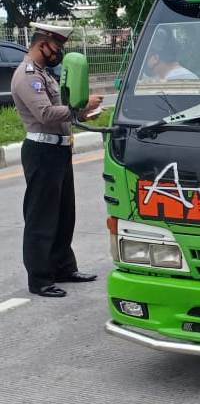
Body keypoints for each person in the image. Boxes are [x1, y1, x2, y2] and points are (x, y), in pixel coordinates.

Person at [11, 23, 103, 298]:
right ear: (43, 44)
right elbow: (45, 114)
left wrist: (82, 116)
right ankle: (39, 279)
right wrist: (80, 107)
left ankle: (63, 267)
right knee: (41, 218)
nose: (59, 53)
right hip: (41, 153)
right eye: (57, 47)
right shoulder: (27, 76)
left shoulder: (45, 74)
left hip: (59, 150)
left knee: (64, 214)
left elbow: (60, 111)